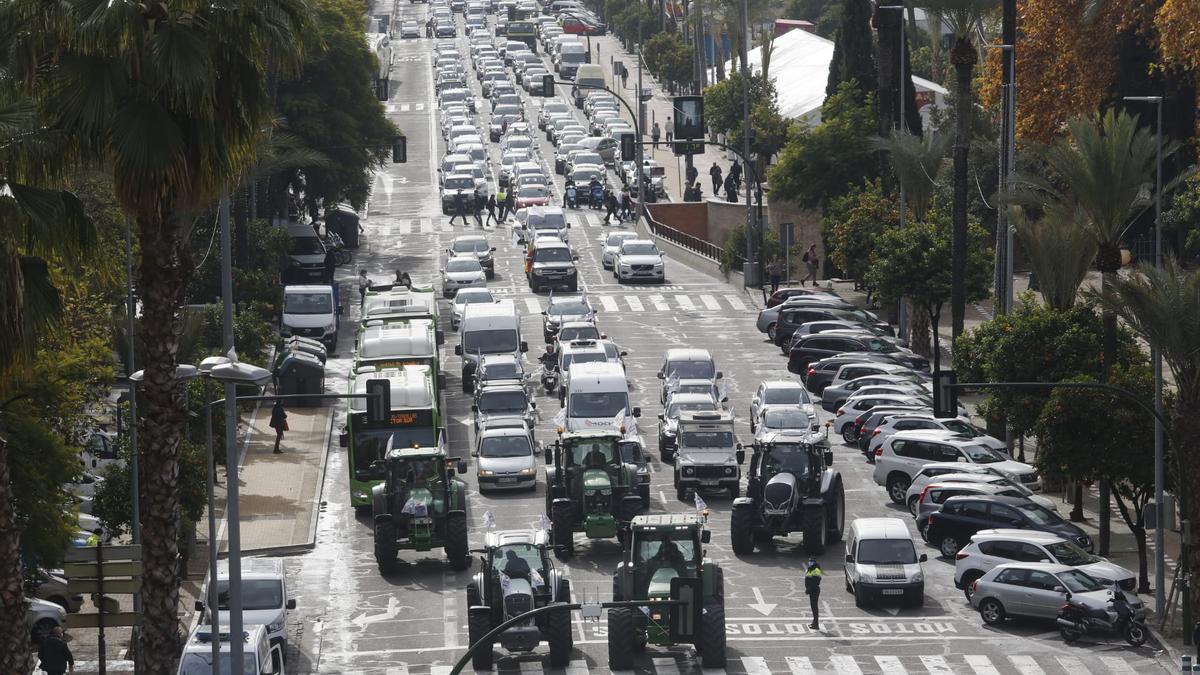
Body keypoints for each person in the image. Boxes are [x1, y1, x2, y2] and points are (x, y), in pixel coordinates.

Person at [804, 557, 823, 629]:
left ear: (814, 562)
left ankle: (816, 624)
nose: (809, 562)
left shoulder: (816, 570)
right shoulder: (810, 569)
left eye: (811, 561)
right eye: (809, 561)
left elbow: (815, 582)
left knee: (814, 607)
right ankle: (814, 622)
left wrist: (809, 589)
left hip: (814, 590)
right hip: (812, 591)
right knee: (813, 607)